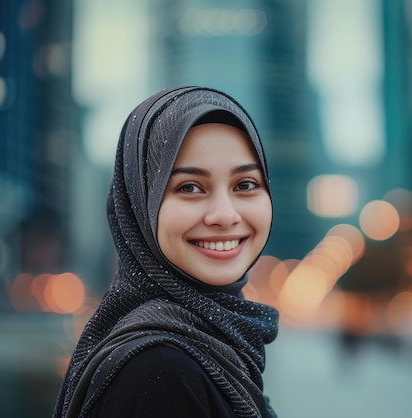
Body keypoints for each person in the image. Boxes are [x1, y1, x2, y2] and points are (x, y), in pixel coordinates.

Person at [53, 86, 279, 418]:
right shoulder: (163, 372)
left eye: (245, 184)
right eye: (190, 187)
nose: (225, 215)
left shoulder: (210, 343)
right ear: (141, 205)